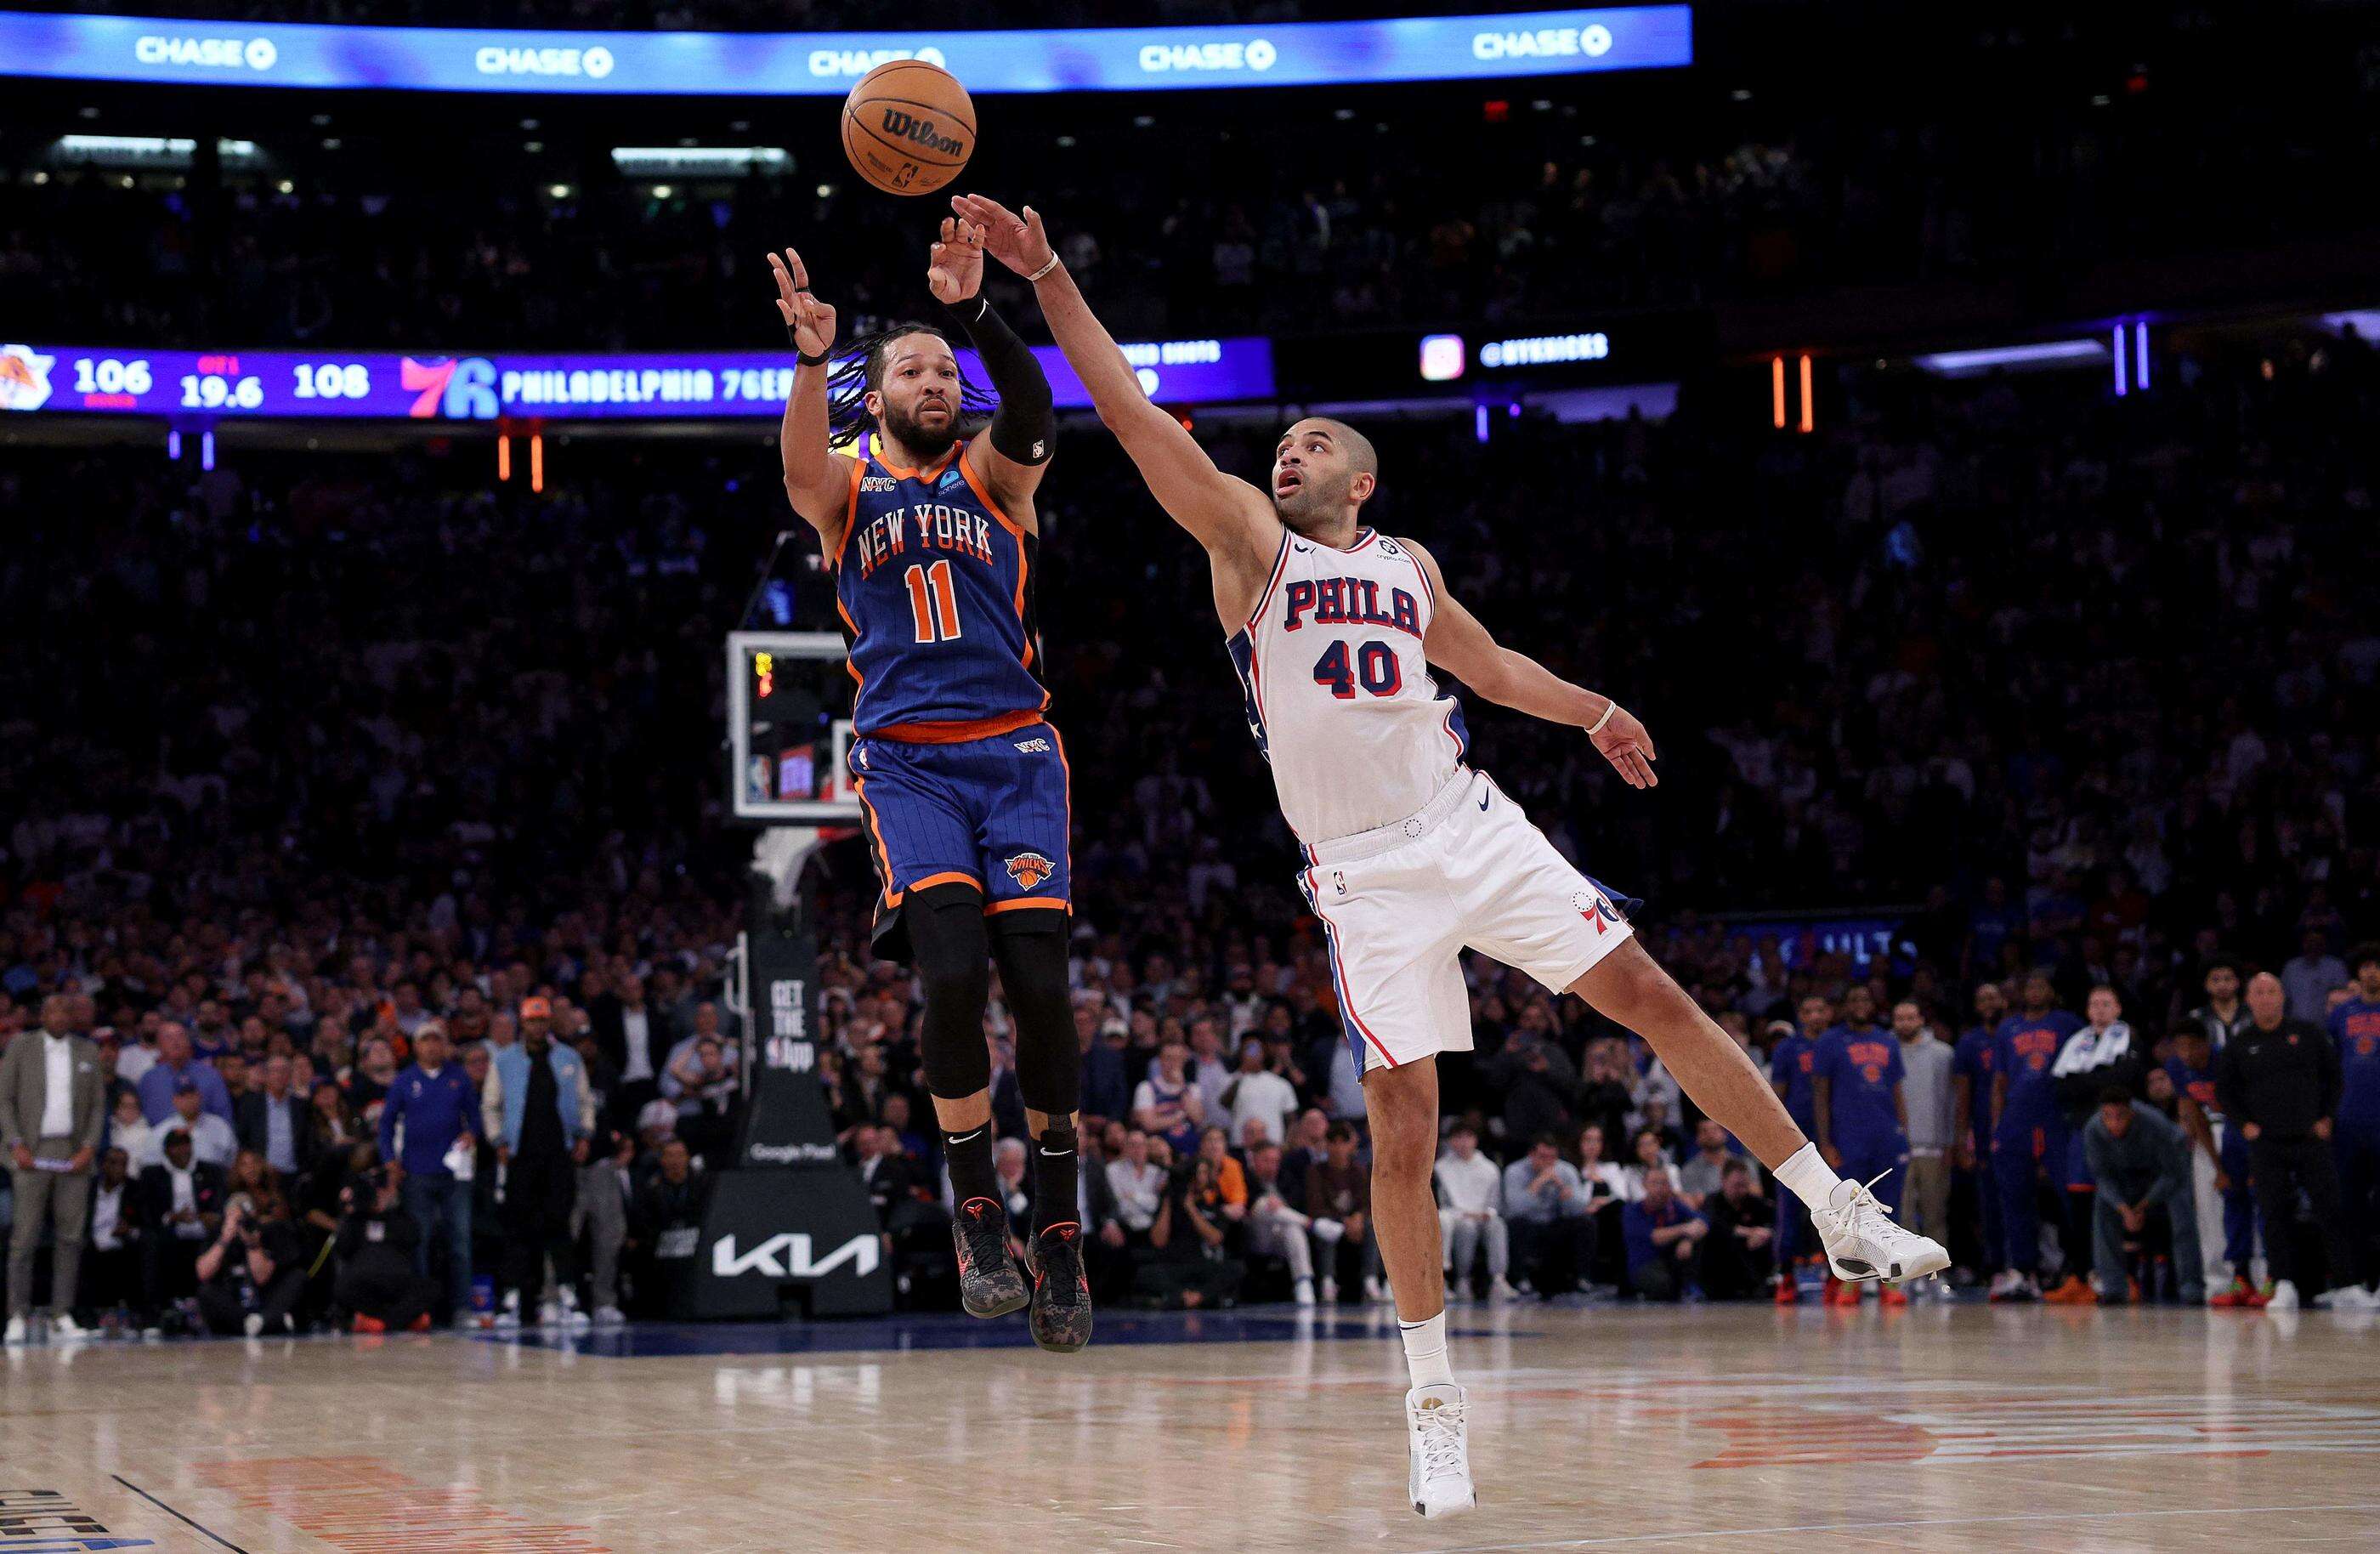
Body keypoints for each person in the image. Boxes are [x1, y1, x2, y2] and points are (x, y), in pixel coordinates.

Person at [955, 187, 1946, 1518]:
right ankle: (1435, 1408)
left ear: (1363, 480)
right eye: (1284, 446)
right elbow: (1131, 416)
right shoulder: (1248, 547)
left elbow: (1487, 665)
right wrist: (1049, 276)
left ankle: (1833, 1207)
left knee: (1649, 993)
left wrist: (1594, 711)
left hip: (1471, 825)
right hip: (1363, 873)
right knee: (1402, 1134)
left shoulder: (1409, 563)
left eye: (1313, 447)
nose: (1287, 457)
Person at [768, 224, 1086, 1356]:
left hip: (1015, 756)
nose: (938, 382)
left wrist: (977, 317)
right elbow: (801, 469)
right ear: (878, 392)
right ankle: (978, 1214)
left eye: (946, 370)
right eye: (916, 369)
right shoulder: (849, 485)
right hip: (908, 761)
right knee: (951, 977)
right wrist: (812, 364)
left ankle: (1060, 1229)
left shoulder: (996, 473)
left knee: (1042, 994)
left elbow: (1040, 413)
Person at [2216, 973, 2371, 1311]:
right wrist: (2244, 1125)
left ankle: (2346, 1283)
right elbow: (2224, 1090)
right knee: (2274, 1213)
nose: (2266, 998)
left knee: (2330, 1209)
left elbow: (2335, 1077)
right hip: (2267, 1143)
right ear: (2250, 1000)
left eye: (2272, 991)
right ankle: (2283, 1283)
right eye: (2259, 992)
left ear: (2283, 997)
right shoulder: (2241, 1044)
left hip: (2310, 1138)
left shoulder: (2309, 1034)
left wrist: (2327, 1116)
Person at [484, 997, 595, 1330]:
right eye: (532, 1021)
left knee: (559, 1224)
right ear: (522, 1023)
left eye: (543, 1021)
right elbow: (491, 1105)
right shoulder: (505, 1060)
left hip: (557, 1153)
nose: (537, 1027)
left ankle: (568, 1296)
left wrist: (584, 1134)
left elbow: (584, 1100)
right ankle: (513, 1299)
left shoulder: (568, 1057)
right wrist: (498, 1140)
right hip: (521, 1155)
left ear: (549, 1023)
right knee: (518, 1227)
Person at [1, 994, 105, 1343]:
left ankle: (62, 1313)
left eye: (67, 1011)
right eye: (54, 1011)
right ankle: (17, 1314)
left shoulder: (88, 1052)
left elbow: (96, 1108)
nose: (60, 1017)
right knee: (24, 1238)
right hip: (32, 1149)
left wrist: (89, 1148)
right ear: (42, 1015)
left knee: (70, 1238)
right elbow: (4, 1098)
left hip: (73, 1152)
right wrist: (16, 1143)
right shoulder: (21, 1046)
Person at [377, 1023, 483, 1326]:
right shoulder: (404, 1080)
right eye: (426, 1041)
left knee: (460, 1241)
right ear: (416, 1046)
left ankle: (463, 1308)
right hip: (417, 1174)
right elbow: (386, 1124)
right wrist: (389, 1160)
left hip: (453, 1174)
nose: (433, 1047)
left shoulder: (458, 1078)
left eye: (438, 1041)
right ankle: (421, 1309)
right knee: (419, 1242)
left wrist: (471, 1135)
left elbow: (474, 1117)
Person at [1989, 974, 2083, 1302]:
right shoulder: (2008, 1029)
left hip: (2056, 1117)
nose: (2035, 992)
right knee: (2015, 1198)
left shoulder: (2068, 1024)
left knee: (2072, 1195)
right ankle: (2022, 1270)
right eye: (2029, 986)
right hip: (2017, 1120)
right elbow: (1999, 1082)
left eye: (2041, 986)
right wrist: (1996, 1129)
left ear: (2052, 992)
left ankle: (2080, 1269)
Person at [1812, 994, 1911, 1306]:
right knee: (1848, 1212)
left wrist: (1904, 1134)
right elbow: (1820, 1095)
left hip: (1886, 1136)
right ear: (1844, 1006)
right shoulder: (1830, 1041)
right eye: (1852, 999)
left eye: (1865, 1000)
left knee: (1890, 1211)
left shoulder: (1888, 1041)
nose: (1859, 1004)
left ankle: (1891, 1281)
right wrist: (1825, 1141)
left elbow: (1897, 1092)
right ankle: (1850, 1282)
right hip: (1848, 1136)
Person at [2082, 1089, 2203, 1306]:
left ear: (2132, 1113)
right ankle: (2114, 1288)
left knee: (2181, 1209)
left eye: (2120, 1116)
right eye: (2108, 1116)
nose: (2115, 1123)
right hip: (2124, 1180)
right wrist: (2124, 1209)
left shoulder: (2156, 1125)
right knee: (2103, 1206)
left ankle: (2191, 1287)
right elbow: (2102, 1177)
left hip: (2162, 1177)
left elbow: (2173, 1173)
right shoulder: (2092, 1130)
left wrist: (2142, 1206)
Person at [2325, 944, 2380, 1292]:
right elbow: (2327, 1068)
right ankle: (2357, 1280)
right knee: (2351, 1205)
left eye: (2378, 966)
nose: (2373, 972)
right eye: (2367, 967)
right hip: (2348, 1124)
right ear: (2357, 973)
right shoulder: (2342, 1014)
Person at [193, 1173, 305, 1336]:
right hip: (234, 1305)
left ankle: (264, 1321)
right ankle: (267, 1323)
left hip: (264, 1299)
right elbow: (203, 1273)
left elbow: (262, 1277)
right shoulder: (217, 1234)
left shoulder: (267, 1231)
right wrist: (224, 1240)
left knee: (298, 1277)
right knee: (205, 1291)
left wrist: (252, 1245)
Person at [1895, 1000, 1956, 1295]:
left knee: (1935, 1215)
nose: (1906, 1023)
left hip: (1934, 1146)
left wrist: (1950, 1141)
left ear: (1921, 1019)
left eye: (1911, 1017)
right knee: (1901, 1216)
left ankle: (1937, 1276)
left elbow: (1952, 1100)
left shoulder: (1943, 1055)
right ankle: (1908, 1276)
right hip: (1900, 1148)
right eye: (1900, 1018)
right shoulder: (1887, 1053)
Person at [332, 1165, 436, 1333]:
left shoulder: (400, 1218)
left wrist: (387, 1210)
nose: (378, 1193)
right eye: (375, 1189)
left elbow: (413, 1238)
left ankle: (379, 1323)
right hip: (363, 1281)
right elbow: (343, 1248)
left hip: (397, 1281)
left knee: (430, 1289)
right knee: (342, 1289)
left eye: (383, 1188)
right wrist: (352, 1212)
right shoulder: (356, 1219)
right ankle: (401, 1322)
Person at [1951, 982, 2006, 1291]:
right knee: (1988, 1204)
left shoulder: (2013, 1033)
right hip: (1983, 1133)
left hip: (2017, 1130)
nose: (1988, 1003)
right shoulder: (1970, 1043)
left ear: (2004, 1000)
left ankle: (2027, 1266)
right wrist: (1963, 1140)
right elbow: (1963, 1098)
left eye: (1993, 996)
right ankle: (1994, 1265)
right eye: (1982, 998)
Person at [1502, 1135, 1597, 1296]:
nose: (1548, 1162)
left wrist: (1564, 1190)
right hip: (1528, 1225)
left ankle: (1583, 1278)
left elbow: (1580, 1208)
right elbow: (1513, 1209)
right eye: (1543, 1157)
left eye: (1552, 1157)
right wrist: (1536, 1185)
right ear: (1531, 1155)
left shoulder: (1566, 1171)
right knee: (1515, 1224)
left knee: (1586, 1223)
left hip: (1555, 1224)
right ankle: (1521, 1279)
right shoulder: (1515, 1171)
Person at [1432, 1123, 1511, 1302]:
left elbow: (1496, 1203)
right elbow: (1442, 1202)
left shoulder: (1490, 1168)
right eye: (1458, 1138)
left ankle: (1499, 1279)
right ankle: (1461, 1279)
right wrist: (1463, 1215)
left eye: (1467, 1137)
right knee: (1462, 1226)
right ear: (1451, 1141)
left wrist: (1487, 1214)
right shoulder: (1441, 1168)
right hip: (1456, 1217)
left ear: (1475, 1140)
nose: (1463, 1143)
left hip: (1484, 1216)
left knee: (1497, 1225)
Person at [1621, 1160, 1705, 1302]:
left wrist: (1688, 1240)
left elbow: (1703, 1221)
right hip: (1643, 1265)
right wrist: (1684, 1229)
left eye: (1664, 1183)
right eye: (1655, 1183)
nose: (1660, 1188)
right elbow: (1654, 1236)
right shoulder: (1632, 1211)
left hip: (1669, 1262)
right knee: (1663, 1286)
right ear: (1645, 1185)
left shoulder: (1675, 1206)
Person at [1697, 1160, 1776, 1301]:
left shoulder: (1755, 1203)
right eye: (1736, 1186)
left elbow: (1774, 1224)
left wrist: (1765, 1234)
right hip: (1719, 1264)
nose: (1741, 1191)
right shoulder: (1713, 1201)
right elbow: (1717, 1226)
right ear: (1724, 1181)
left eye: (1745, 1186)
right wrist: (1750, 1233)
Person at [235, 1053, 314, 1184]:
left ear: (290, 1075)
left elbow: (308, 1142)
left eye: (284, 1070)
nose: (280, 1075)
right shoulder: (249, 1105)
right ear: (266, 1075)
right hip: (262, 1176)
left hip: (296, 1175)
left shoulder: (301, 1106)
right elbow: (243, 1140)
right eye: (275, 1071)